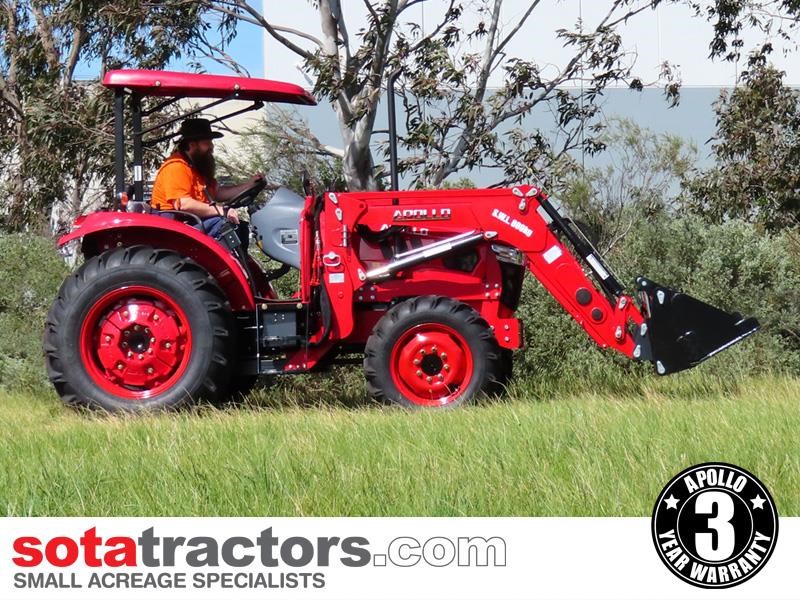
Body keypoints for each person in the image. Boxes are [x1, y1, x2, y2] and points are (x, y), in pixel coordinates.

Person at [150, 118, 263, 248]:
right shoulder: (176, 166)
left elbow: (218, 193)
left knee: (240, 227)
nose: (211, 147)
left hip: (191, 220)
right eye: (207, 142)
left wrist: (249, 184)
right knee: (225, 226)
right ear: (192, 144)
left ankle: (242, 265)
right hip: (173, 225)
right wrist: (222, 210)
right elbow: (184, 205)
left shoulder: (197, 168)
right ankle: (224, 267)